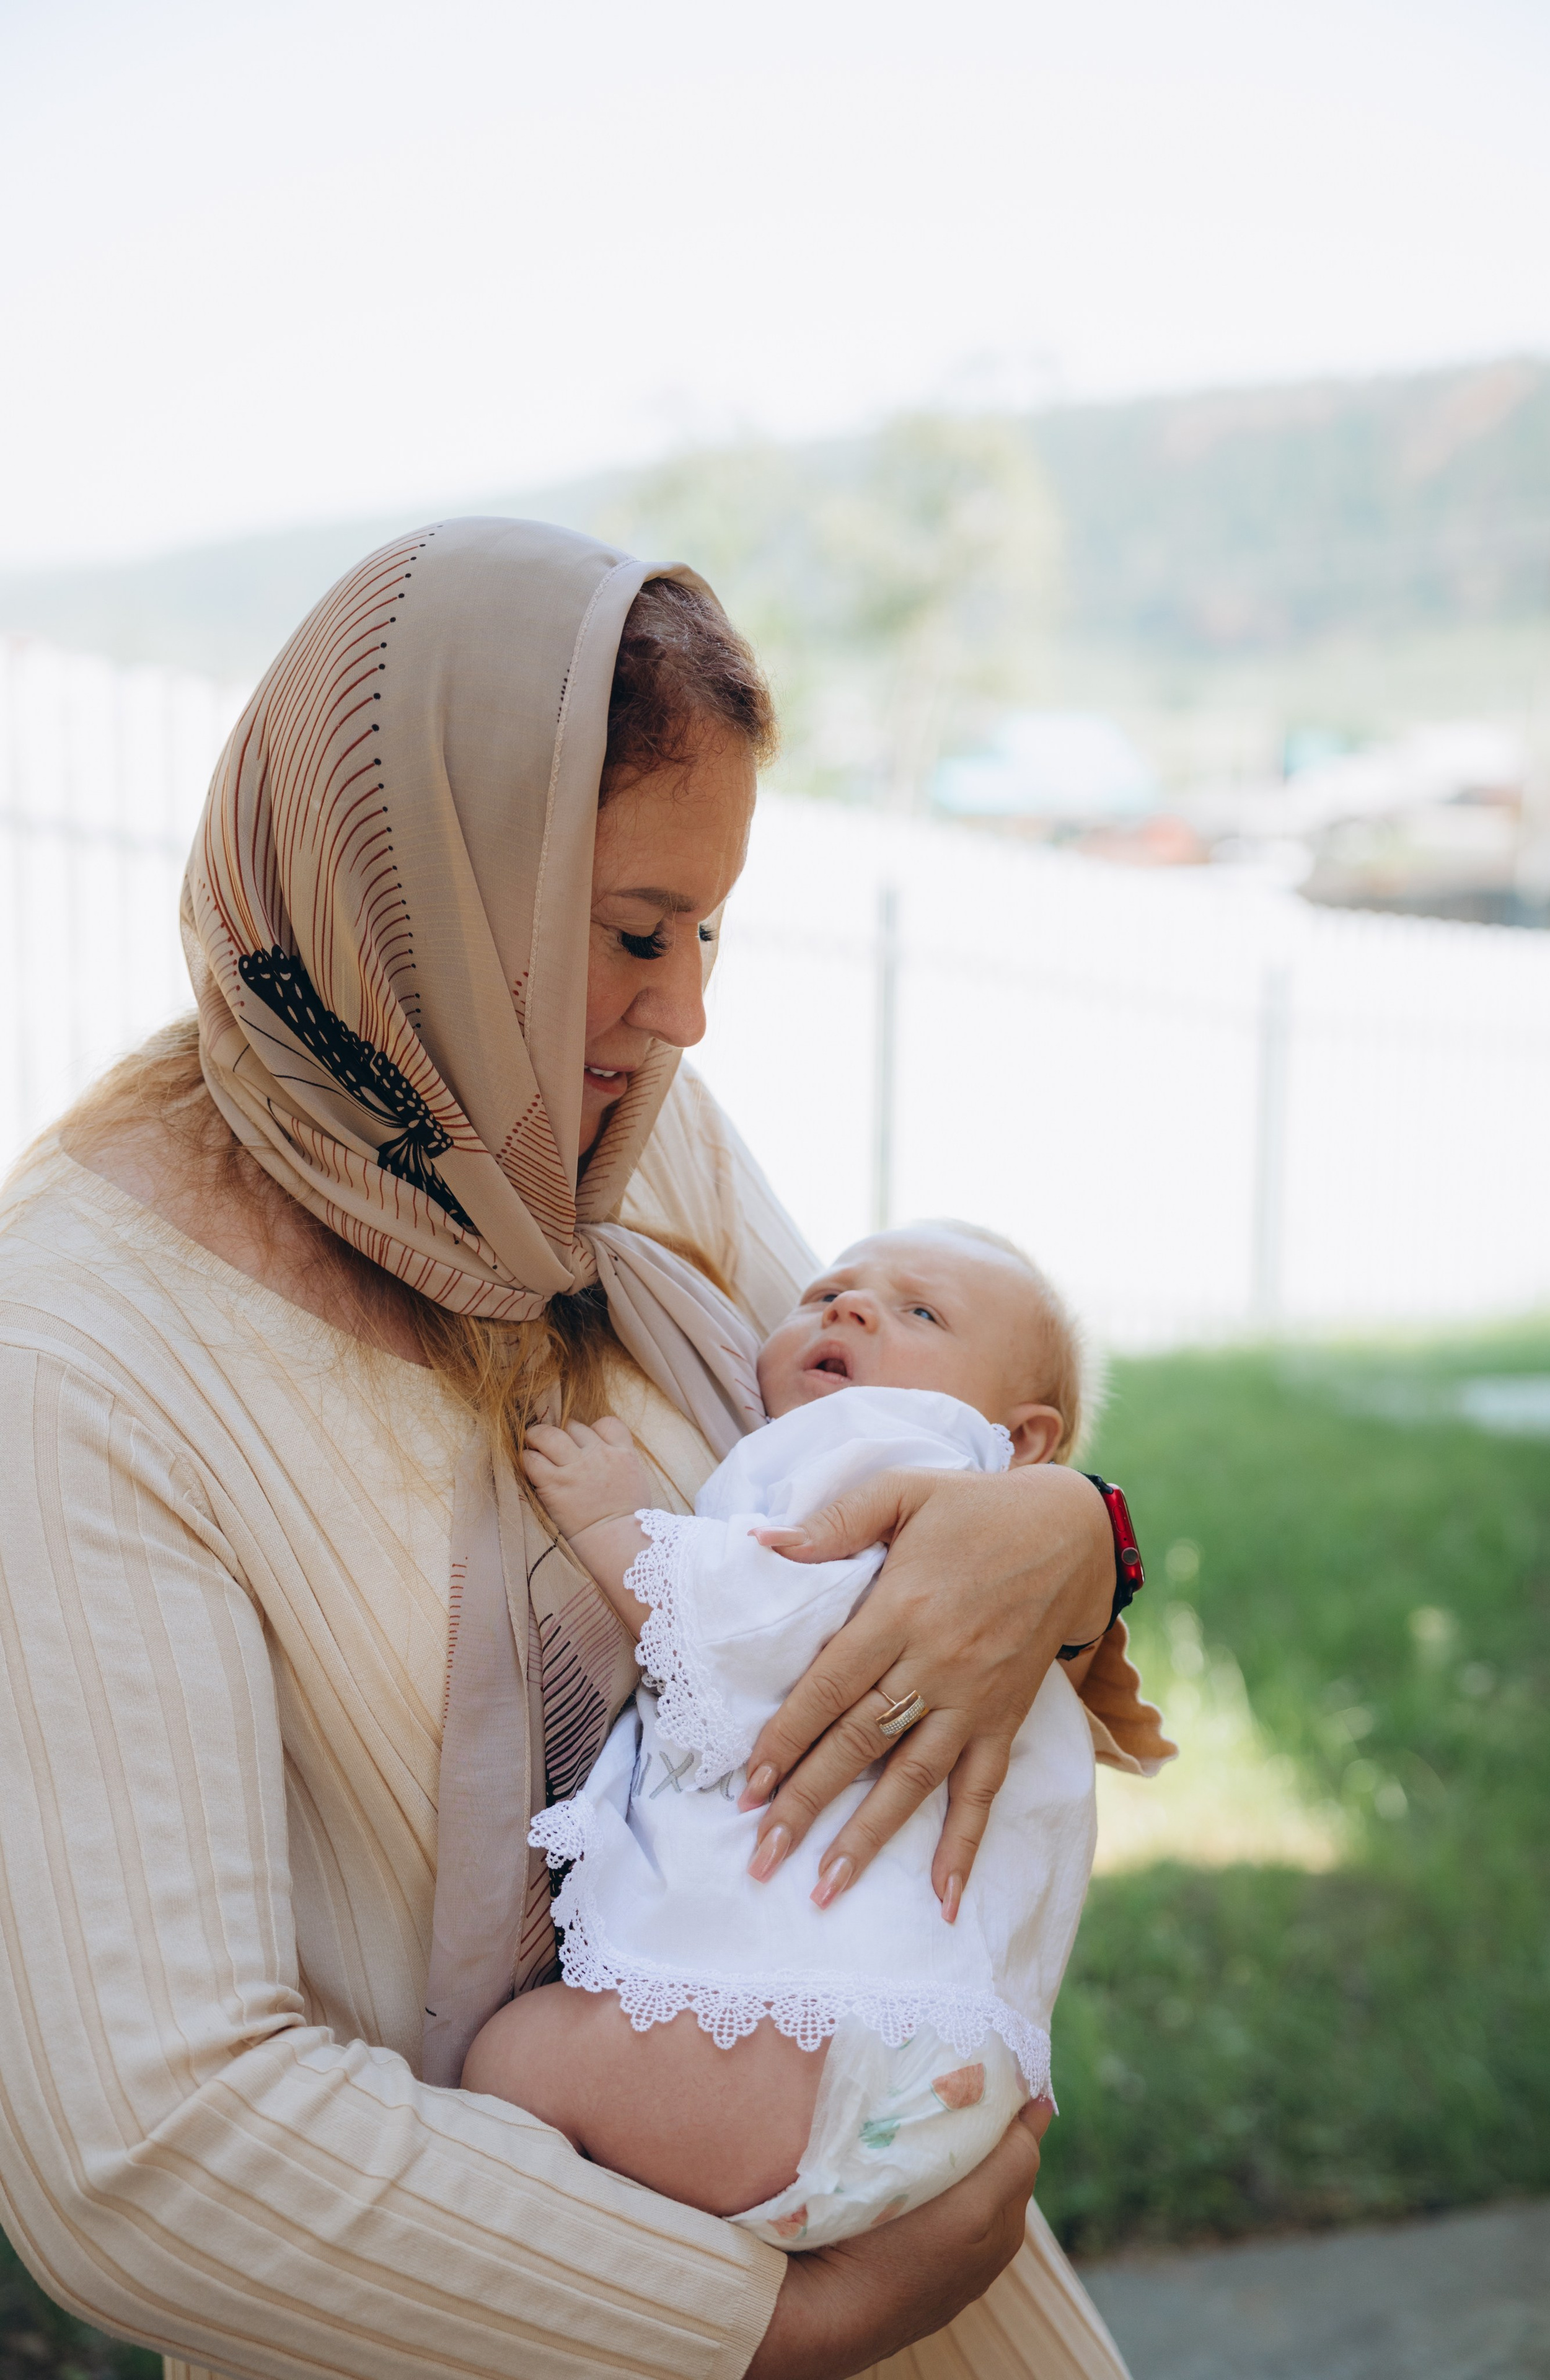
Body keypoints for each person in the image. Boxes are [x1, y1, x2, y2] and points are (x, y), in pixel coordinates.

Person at [0, 516, 1169, 2380]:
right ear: (424, 894)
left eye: (707, 932)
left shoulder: (614, 1133)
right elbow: (152, 2144)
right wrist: (769, 2322)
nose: (687, 1012)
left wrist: (1071, 1535)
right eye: (636, 934)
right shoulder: (72, 1362)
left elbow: (904, 1450)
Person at [465, 1222, 1161, 2249]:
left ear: (1023, 1440)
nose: (849, 1307)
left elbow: (788, 1631)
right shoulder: (987, 1538)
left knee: (513, 2065)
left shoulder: (894, 1446)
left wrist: (619, 1526)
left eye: (919, 1312)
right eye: (825, 1293)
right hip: (932, 2056)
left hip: (818, 2033)